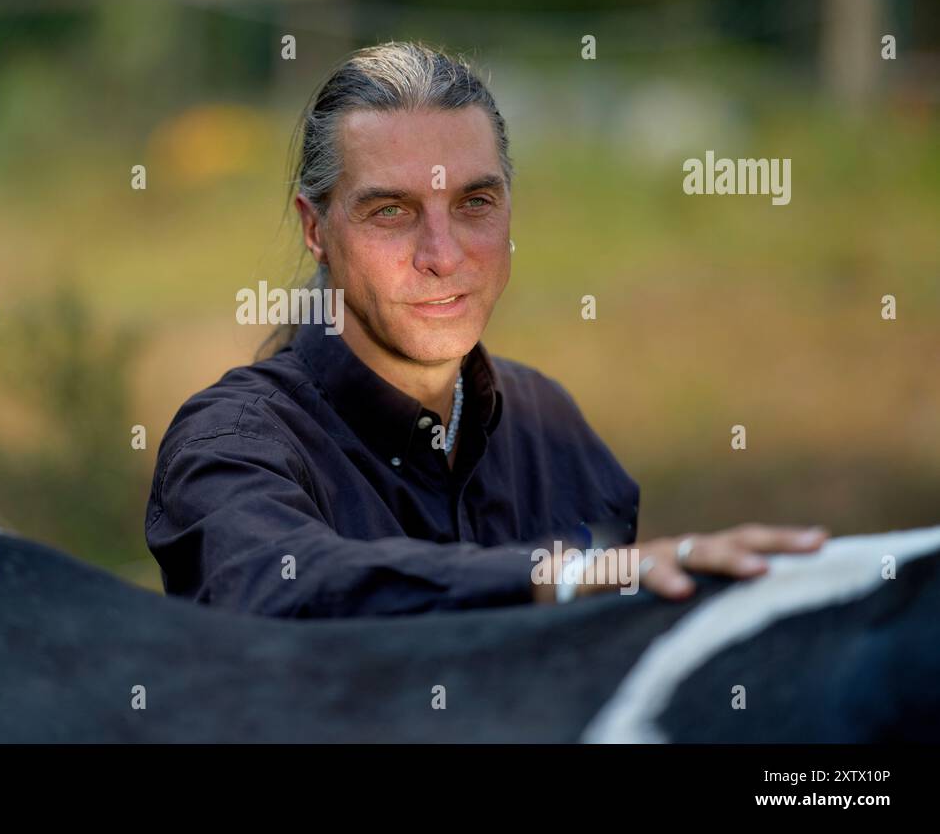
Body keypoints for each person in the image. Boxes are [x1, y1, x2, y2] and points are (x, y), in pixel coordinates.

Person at [144, 40, 826, 617]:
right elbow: (279, 583)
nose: (443, 255)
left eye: (474, 202)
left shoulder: (556, 432)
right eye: (391, 210)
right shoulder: (233, 440)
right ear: (315, 228)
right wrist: (542, 575)